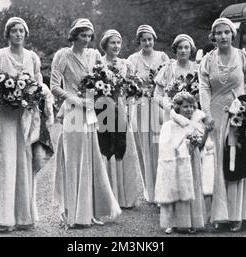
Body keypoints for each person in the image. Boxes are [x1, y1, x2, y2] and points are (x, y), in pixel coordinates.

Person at [0, 17, 54, 232]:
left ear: (25, 34)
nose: (18, 34)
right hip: (6, 117)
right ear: (8, 34)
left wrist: (37, 94)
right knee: (5, 162)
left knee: (24, 163)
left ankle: (23, 216)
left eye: (22, 31)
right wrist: (4, 90)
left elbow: (39, 84)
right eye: (14, 31)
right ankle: (1, 217)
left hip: (26, 118)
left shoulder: (33, 57)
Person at [51, 18, 121, 228]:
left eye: (90, 36)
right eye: (83, 35)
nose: (87, 40)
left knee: (91, 157)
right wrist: (75, 100)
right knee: (73, 158)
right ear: (74, 36)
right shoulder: (62, 55)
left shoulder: (94, 55)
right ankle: (73, 212)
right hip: (73, 110)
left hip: (91, 109)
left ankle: (90, 211)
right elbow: (54, 86)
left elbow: (103, 80)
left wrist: (99, 97)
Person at [198, 18, 246, 232]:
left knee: (239, 160)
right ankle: (222, 216)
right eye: (218, 33)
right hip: (217, 115)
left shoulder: (244, 57)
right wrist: (207, 114)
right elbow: (204, 88)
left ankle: (241, 215)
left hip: (240, 114)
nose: (223, 36)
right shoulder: (207, 60)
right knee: (220, 161)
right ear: (213, 36)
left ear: (232, 34)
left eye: (227, 32)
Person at [98, 29, 144, 208]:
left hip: (122, 108)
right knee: (107, 146)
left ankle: (126, 197)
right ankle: (110, 197)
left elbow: (131, 89)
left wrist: (129, 105)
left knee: (125, 148)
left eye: (118, 43)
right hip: (104, 109)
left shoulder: (126, 64)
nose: (116, 46)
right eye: (112, 43)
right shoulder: (98, 64)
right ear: (105, 45)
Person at [127, 25, 169, 204]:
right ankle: (149, 189)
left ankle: (163, 188)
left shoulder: (163, 57)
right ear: (139, 41)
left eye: (150, 39)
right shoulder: (132, 59)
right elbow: (128, 84)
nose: (147, 42)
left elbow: (169, 81)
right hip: (141, 105)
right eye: (144, 39)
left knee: (160, 147)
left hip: (159, 106)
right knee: (144, 148)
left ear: (154, 39)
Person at [155, 92, 208, 234]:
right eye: (185, 106)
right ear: (177, 108)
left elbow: (201, 146)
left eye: (192, 106)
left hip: (192, 160)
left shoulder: (196, 124)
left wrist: (204, 134)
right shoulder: (169, 125)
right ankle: (172, 222)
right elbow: (166, 147)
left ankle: (192, 221)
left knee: (193, 187)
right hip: (175, 164)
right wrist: (181, 144)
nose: (189, 109)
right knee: (175, 188)